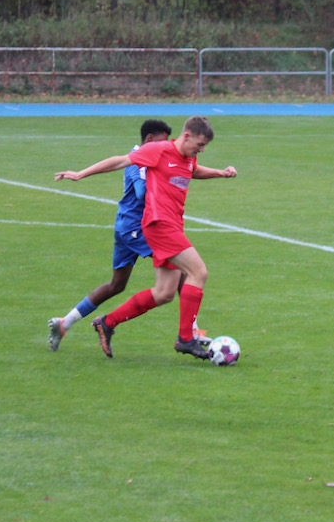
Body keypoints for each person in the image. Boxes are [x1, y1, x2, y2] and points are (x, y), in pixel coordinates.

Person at [54, 116, 236, 360]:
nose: (201, 150)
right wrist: (80, 174)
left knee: (164, 293)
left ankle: (107, 323)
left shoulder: (189, 157)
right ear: (186, 136)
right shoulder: (158, 150)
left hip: (173, 225)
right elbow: (120, 160)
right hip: (159, 225)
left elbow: (194, 171)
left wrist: (220, 173)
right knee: (198, 272)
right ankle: (186, 338)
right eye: (200, 144)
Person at [47, 119, 173, 351]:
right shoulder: (139, 161)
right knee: (180, 264)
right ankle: (191, 331)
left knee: (117, 285)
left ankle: (64, 323)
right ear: (149, 139)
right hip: (137, 228)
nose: (164, 148)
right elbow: (141, 192)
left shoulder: (145, 158)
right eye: (161, 142)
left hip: (126, 226)